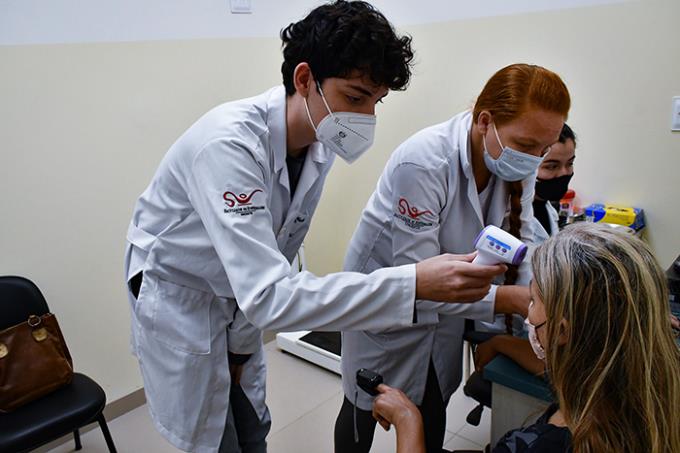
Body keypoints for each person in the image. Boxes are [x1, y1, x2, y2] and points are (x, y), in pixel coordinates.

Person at [123, 2, 507, 452]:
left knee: (251, 427)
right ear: (304, 79)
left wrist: (243, 349)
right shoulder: (227, 147)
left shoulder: (317, 144)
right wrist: (413, 283)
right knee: (214, 441)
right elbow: (269, 294)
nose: (367, 118)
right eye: (355, 97)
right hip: (182, 296)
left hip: (237, 296)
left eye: (376, 102)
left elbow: (273, 259)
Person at [335, 63, 571, 453]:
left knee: (432, 400)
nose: (535, 159)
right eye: (529, 146)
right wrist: (508, 299)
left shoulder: (517, 158)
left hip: (451, 302)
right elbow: (420, 280)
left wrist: (542, 292)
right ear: (485, 121)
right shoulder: (425, 162)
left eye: (544, 149)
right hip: (386, 297)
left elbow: (525, 241)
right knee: (362, 407)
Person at [378, 223, 680, 453]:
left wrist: (407, 420)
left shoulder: (542, 445)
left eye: (532, 299)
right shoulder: (651, 383)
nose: (527, 307)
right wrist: (501, 343)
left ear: (562, 331)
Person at [532, 123, 576, 241]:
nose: (564, 173)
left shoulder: (548, 207)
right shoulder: (507, 216)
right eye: (552, 166)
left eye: (569, 163)